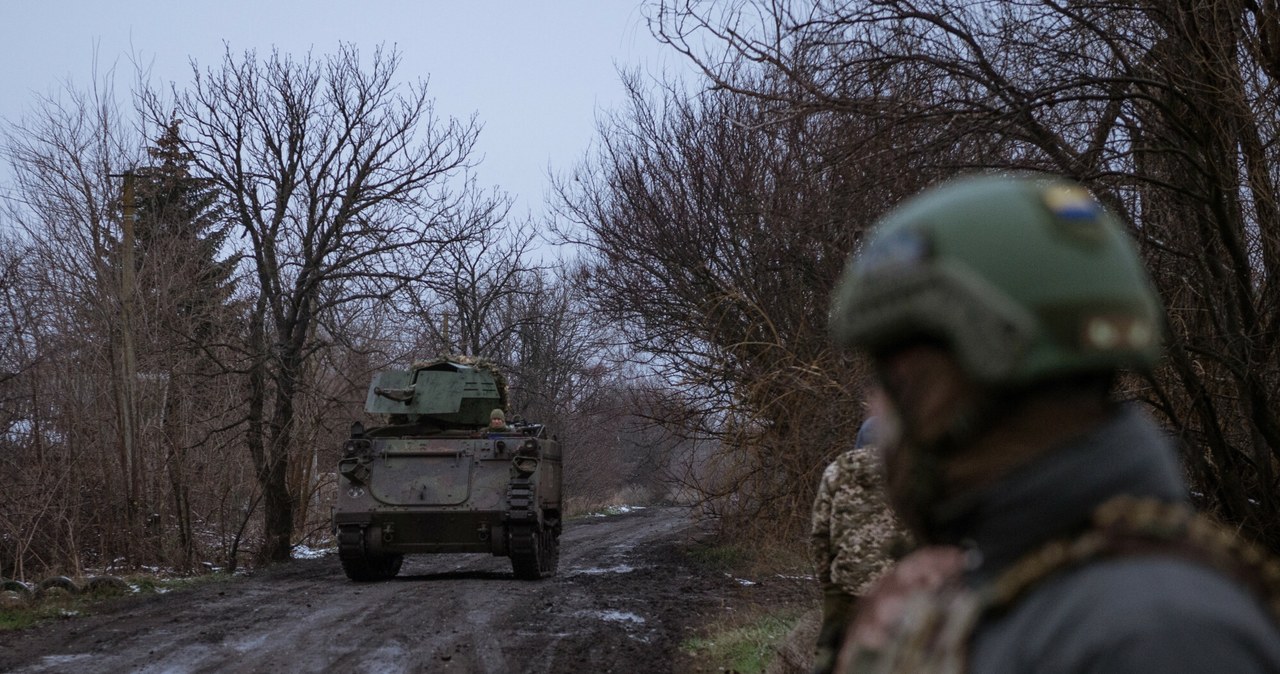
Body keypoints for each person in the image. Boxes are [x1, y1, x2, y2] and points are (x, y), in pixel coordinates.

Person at [826, 173, 1280, 673]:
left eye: (896, 378)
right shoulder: (1023, 590)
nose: (880, 412)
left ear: (990, 355)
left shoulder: (1155, 636)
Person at [809, 405, 909, 674]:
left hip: (847, 582)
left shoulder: (838, 470)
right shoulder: (907, 470)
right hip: (900, 585)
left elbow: (820, 534)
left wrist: (829, 580)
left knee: (830, 652)